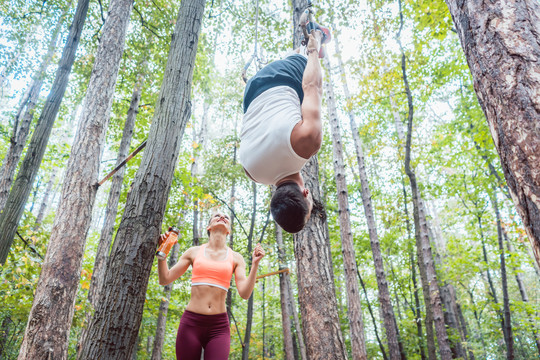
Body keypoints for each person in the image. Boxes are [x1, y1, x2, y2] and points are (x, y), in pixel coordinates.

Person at [239, 22, 331, 234]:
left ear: (306, 192)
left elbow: (312, 87)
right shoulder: (251, 173)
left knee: (307, 80)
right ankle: (299, 48)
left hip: (283, 76)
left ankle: (309, 39)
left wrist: (314, 48)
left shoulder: (307, 143)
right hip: (251, 92)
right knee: (294, 111)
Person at [157, 211, 265, 360]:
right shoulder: (193, 252)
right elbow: (165, 279)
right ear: (209, 227)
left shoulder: (236, 258)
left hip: (218, 327)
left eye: (226, 217)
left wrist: (255, 264)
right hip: (191, 324)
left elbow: (245, 294)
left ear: (229, 230)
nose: (222, 217)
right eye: (217, 216)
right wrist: (162, 254)